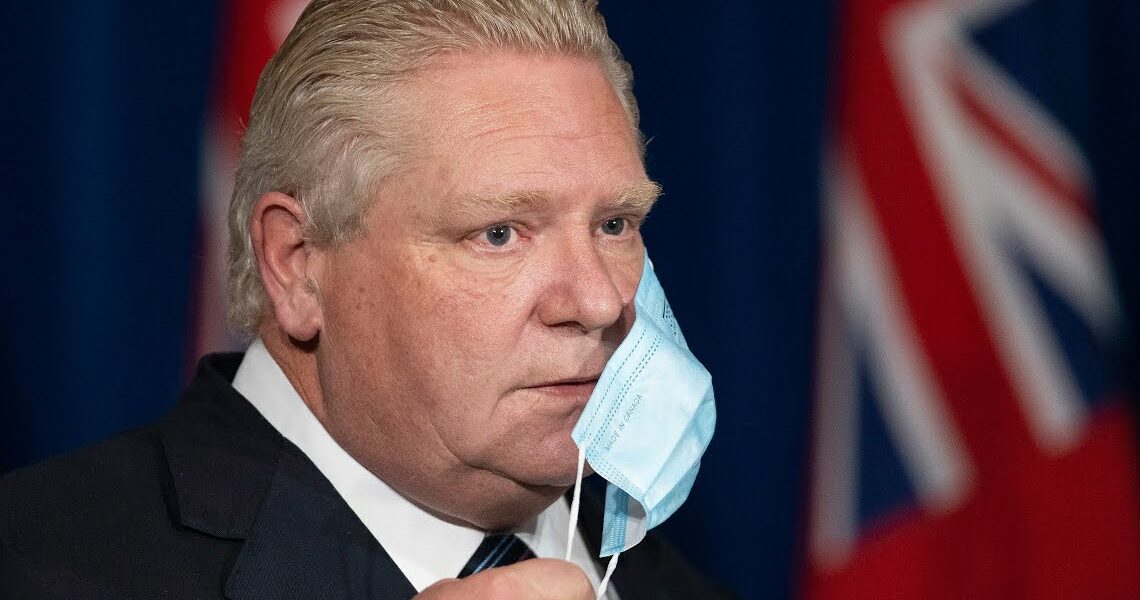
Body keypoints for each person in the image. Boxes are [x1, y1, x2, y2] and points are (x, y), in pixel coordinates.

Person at [0, 1, 731, 598]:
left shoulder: (682, 586)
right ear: (298, 264)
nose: (601, 303)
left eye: (615, 224)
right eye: (500, 233)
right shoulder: (38, 565)